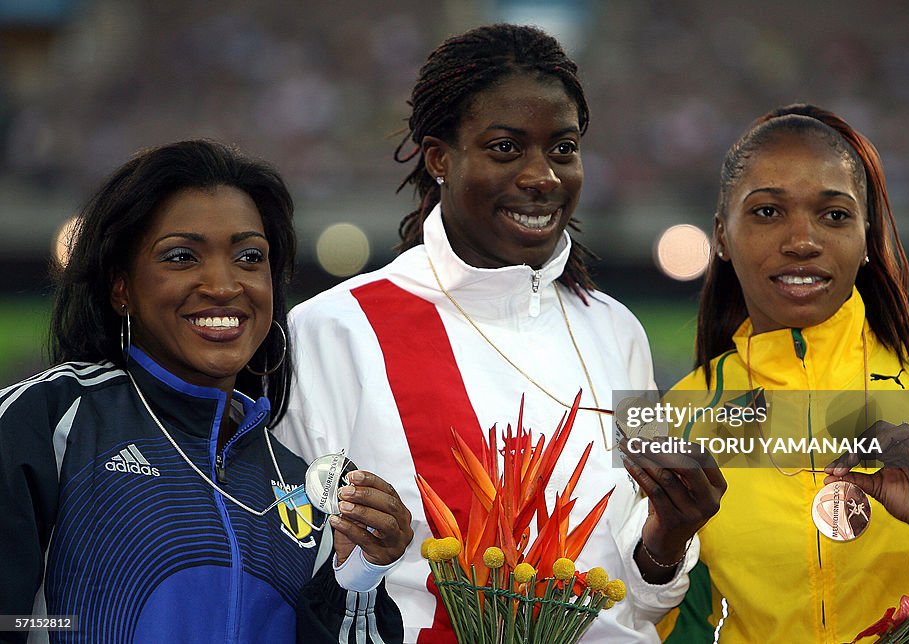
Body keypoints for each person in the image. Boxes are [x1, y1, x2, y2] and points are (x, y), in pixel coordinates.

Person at [276, 23, 723, 644]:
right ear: (439, 158)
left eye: (563, 148)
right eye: (507, 148)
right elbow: (292, 561)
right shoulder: (334, 330)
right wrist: (357, 561)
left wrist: (670, 534)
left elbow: (643, 597)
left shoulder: (619, 331)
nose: (543, 176)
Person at [0, 140, 410, 644]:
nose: (222, 284)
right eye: (181, 256)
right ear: (121, 287)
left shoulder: (304, 482)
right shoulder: (47, 422)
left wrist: (359, 577)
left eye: (248, 257)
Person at [660, 105, 909, 642]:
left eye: (834, 215)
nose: (802, 241)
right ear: (721, 234)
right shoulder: (677, 415)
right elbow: (670, 627)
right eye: (766, 212)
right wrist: (660, 551)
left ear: (866, 235)